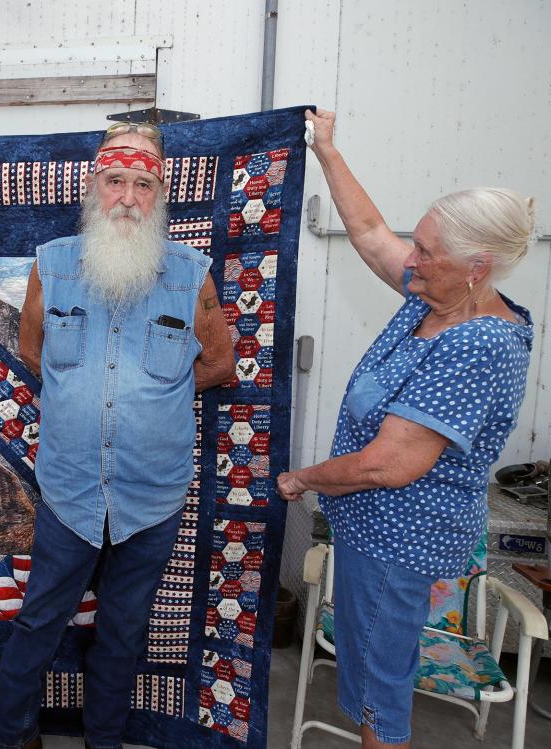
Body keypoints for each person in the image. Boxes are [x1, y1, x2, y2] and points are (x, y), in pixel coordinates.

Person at [0, 122, 236, 749]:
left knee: (123, 629)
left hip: (151, 495)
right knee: (39, 621)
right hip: (69, 490)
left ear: (160, 194)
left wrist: (152, 400)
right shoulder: (51, 265)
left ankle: (102, 742)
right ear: (93, 187)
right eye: (116, 181)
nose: (129, 198)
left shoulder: (192, 275)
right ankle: (8, 737)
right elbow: (33, 352)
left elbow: (219, 365)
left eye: (143, 183)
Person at [277, 109, 535, 749]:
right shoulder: (438, 295)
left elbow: (388, 465)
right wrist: (327, 151)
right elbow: (366, 230)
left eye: (424, 250)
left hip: (402, 544)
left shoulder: (475, 344)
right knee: (371, 676)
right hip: (379, 534)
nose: (409, 259)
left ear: (475, 265)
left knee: (378, 696)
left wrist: (303, 478)